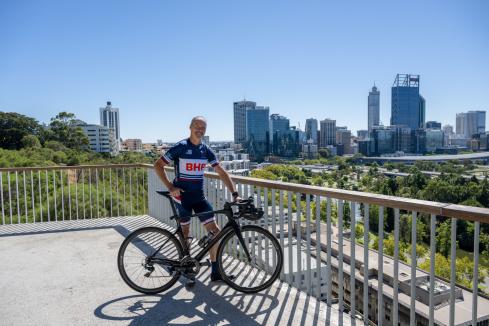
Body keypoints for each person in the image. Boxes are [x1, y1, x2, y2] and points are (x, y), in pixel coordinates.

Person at [154, 116, 240, 284]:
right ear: (190, 127)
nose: (200, 129)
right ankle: (186, 268)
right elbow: (158, 165)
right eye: (197, 126)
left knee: (215, 232)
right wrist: (171, 187)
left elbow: (221, 172)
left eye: (203, 127)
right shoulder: (181, 147)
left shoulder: (205, 150)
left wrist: (235, 193)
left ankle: (216, 272)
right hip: (182, 198)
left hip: (199, 197)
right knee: (185, 233)